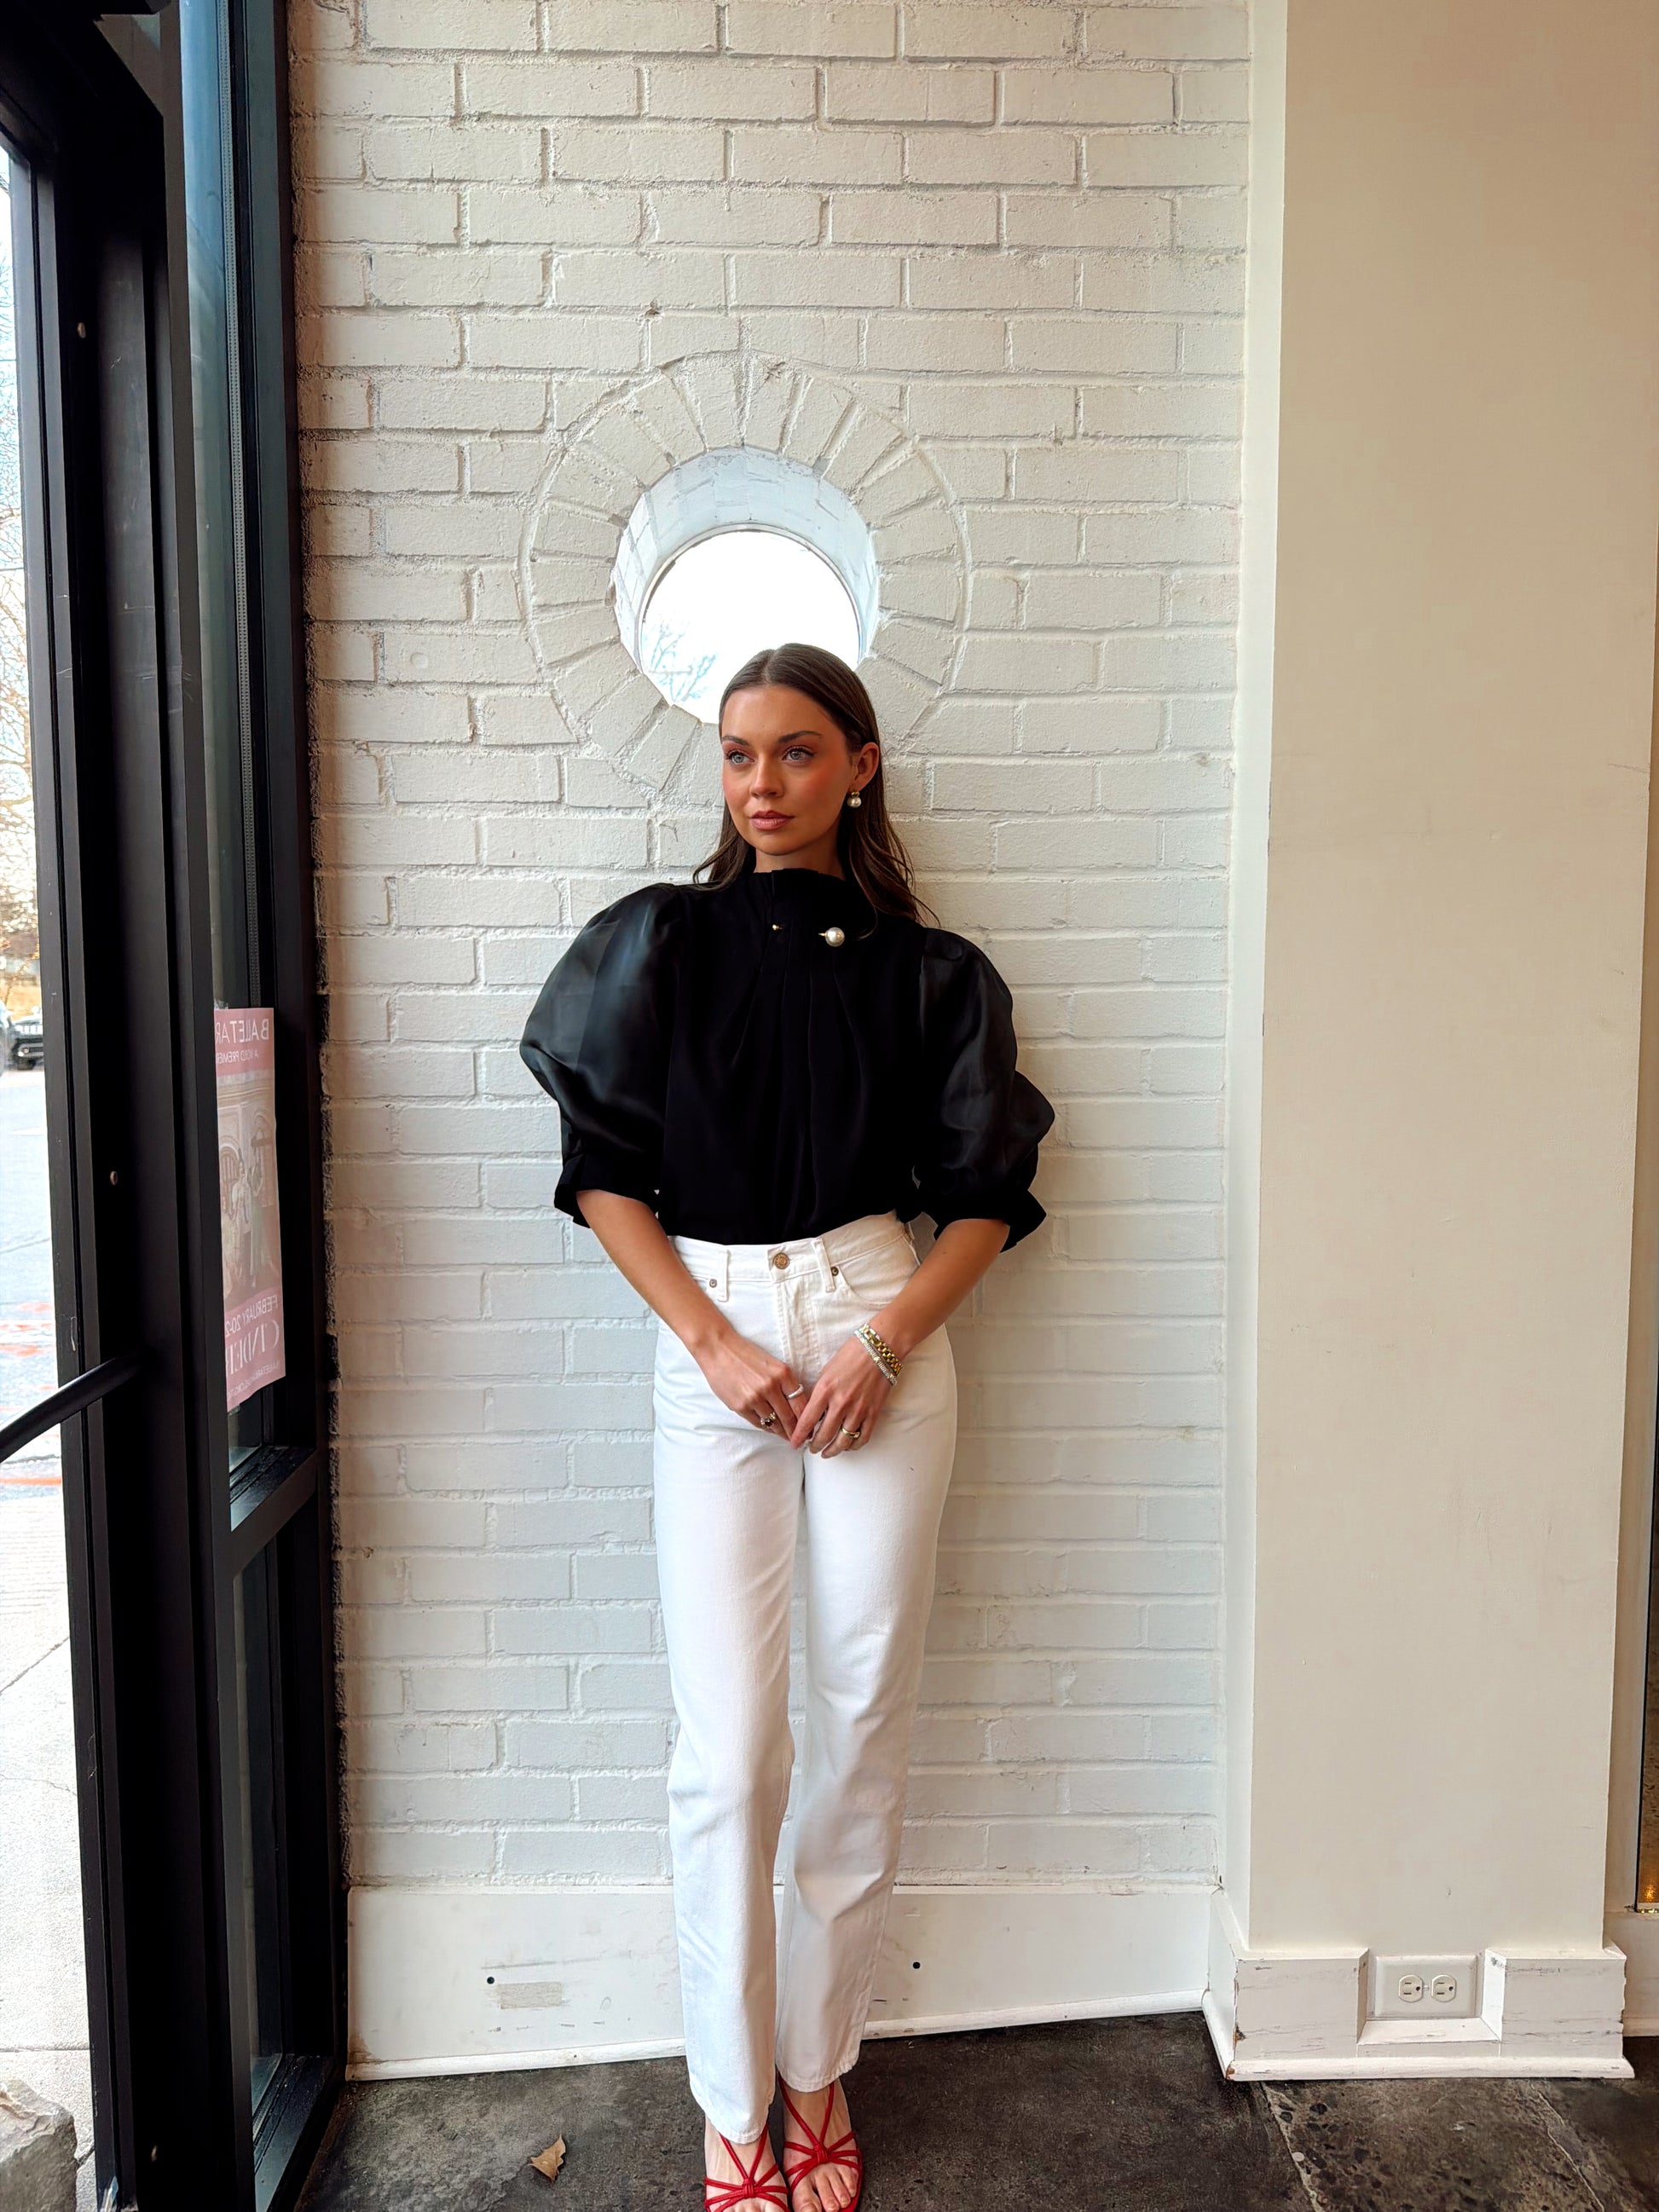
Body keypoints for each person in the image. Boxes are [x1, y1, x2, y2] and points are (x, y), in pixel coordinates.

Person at [520, 642, 1053, 2212]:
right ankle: (726, 2092)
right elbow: (603, 1174)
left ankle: (819, 2065)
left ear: (860, 765)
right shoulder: (658, 945)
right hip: (714, 1336)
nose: (763, 783)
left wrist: (880, 1344)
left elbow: (983, 1199)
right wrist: (711, 1343)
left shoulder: (933, 974)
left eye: (798, 751)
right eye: (740, 753)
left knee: (860, 1718)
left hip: (880, 1321)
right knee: (732, 1750)